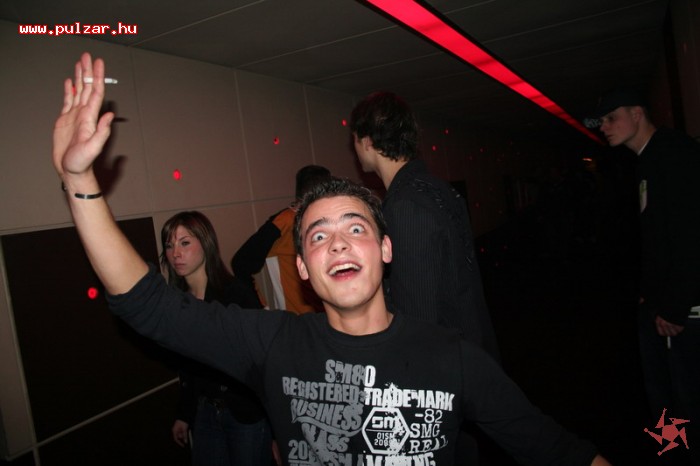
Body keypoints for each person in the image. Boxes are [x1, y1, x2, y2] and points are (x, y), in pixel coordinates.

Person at [53, 52, 612, 466]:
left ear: (387, 249)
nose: (338, 242)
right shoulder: (274, 345)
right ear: (303, 268)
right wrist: (79, 181)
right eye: (318, 236)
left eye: (355, 227)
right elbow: (148, 305)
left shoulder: (454, 358)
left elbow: (558, 450)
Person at [349, 91, 500, 361]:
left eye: (355, 140)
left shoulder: (406, 205)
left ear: (368, 141)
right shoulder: (439, 189)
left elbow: (418, 314)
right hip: (471, 349)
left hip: (446, 361)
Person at [592, 87, 700, 464]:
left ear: (637, 114)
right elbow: (658, 239)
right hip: (661, 306)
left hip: (683, 313)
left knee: (685, 399)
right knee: (664, 395)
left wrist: (674, 305)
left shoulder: (674, 155)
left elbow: (690, 236)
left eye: (611, 118)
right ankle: (672, 454)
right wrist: (650, 293)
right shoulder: (648, 160)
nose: (603, 127)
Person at [160, 211, 272, 466]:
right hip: (206, 412)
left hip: (245, 413)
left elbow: (263, 361)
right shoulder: (178, 302)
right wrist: (184, 414)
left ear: (206, 243)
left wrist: (277, 430)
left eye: (184, 243)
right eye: (169, 245)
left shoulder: (235, 295)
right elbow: (188, 367)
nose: (176, 253)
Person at [232, 165, 331, 313]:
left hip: (326, 314)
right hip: (295, 319)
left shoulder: (325, 221)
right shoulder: (285, 222)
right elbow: (241, 263)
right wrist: (260, 308)